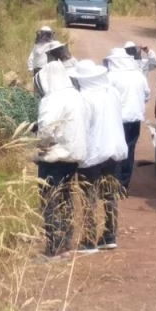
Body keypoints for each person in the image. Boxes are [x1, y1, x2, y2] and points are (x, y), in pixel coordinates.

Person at [69, 59, 128, 252]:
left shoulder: (84, 98)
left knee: (89, 197)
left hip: (93, 154)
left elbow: (82, 128)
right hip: (115, 151)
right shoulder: (112, 93)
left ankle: (88, 240)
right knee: (110, 195)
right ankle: (110, 235)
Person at [34, 60, 89, 258]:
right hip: (74, 156)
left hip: (54, 157)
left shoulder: (52, 100)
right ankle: (66, 241)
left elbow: (46, 130)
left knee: (49, 200)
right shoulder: (76, 96)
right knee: (66, 197)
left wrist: (36, 145)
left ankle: (54, 247)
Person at [105, 47, 150, 194]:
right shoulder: (138, 75)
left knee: (115, 150)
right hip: (135, 118)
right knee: (129, 149)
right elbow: (147, 95)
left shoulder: (111, 77)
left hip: (117, 120)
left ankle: (113, 184)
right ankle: (124, 185)